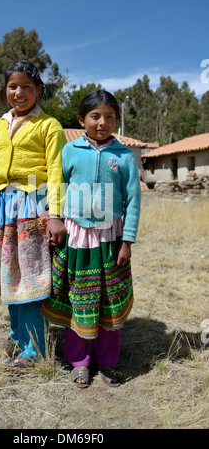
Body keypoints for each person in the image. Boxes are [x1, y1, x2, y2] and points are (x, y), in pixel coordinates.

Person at [0, 60, 67, 369]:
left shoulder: (49, 126)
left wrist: (56, 214)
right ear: (4, 90)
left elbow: (56, 171)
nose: (19, 92)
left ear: (38, 90)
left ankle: (35, 349)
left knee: (28, 277)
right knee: (8, 277)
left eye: (27, 87)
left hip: (30, 206)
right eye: (13, 86)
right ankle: (19, 335)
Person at [41, 90, 141, 387]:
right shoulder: (71, 151)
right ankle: (80, 361)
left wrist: (128, 240)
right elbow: (56, 185)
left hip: (111, 237)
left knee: (108, 300)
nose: (102, 123)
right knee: (79, 299)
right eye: (95, 116)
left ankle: (107, 362)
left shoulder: (124, 156)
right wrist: (54, 217)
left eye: (110, 117)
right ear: (81, 119)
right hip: (76, 237)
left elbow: (134, 200)